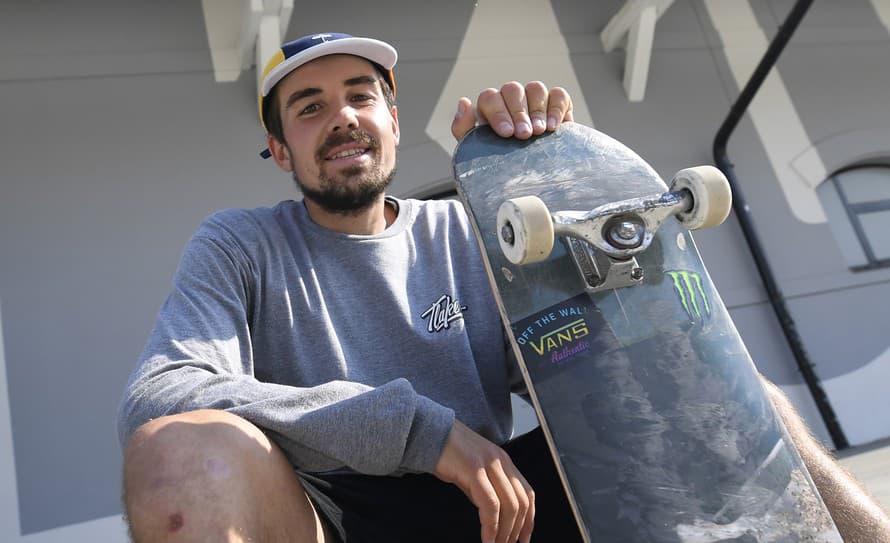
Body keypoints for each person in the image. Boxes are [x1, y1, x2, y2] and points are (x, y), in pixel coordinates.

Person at [117, 32, 889, 543]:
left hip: (503, 506)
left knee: (724, 377)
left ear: (392, 115)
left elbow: (597, 367)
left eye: (360, 94)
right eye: (310, 108)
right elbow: (161, 388)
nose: (342, 117)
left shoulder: (471, 228)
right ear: (282, 152)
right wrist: (416, 430)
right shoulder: (241, 244)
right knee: (177, 451)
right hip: (340, 514)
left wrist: (549, 172)